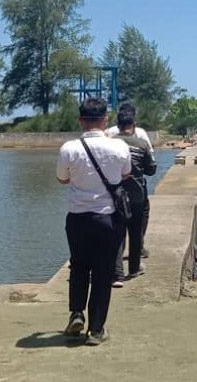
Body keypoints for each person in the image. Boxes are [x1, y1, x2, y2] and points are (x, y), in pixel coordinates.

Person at [56, 97, 131, 345]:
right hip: (107, 218)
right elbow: (125, 174)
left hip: (77, 218)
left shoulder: (68, 148)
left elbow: (62, 179)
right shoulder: (119, 147)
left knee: (78, 266)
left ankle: (76, 312)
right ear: (105, 120)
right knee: (102, 273)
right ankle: (96, 330)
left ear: (80, 121)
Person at [112, 110, 157, 286]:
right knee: (136, 231)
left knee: (117, 232)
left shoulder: (109, 144)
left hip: (115, 194)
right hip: (137, 194)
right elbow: (152, 169)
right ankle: (134, 268)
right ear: (134, 125)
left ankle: (117, 273)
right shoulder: (142, 144)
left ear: (118, 126)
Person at [105, 102, 154, 258]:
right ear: (134, 121)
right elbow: (151, 163)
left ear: (117, 122)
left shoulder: (109, 134)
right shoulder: (140, 135)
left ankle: (117, 263)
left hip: (114, 186)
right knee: (140, 216)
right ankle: (137, 253)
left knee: (118, 221)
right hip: (137, 186)